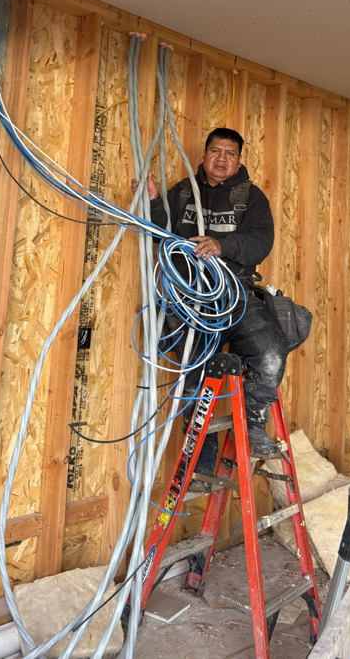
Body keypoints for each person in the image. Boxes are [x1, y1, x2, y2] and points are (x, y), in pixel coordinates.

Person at [131, 127, 288, 477]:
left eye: (229, 154)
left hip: (234, 292)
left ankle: (252, 425)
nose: (221, 159)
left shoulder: (251, 198)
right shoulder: (184, 192)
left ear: (239, 160)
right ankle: (201, 464)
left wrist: (222, 246)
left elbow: (261, 241)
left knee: (270, 350)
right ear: (203, 155)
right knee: (193, 375)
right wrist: (154, 200)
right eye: (215, 151)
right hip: (190, 297)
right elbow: (161, 231)